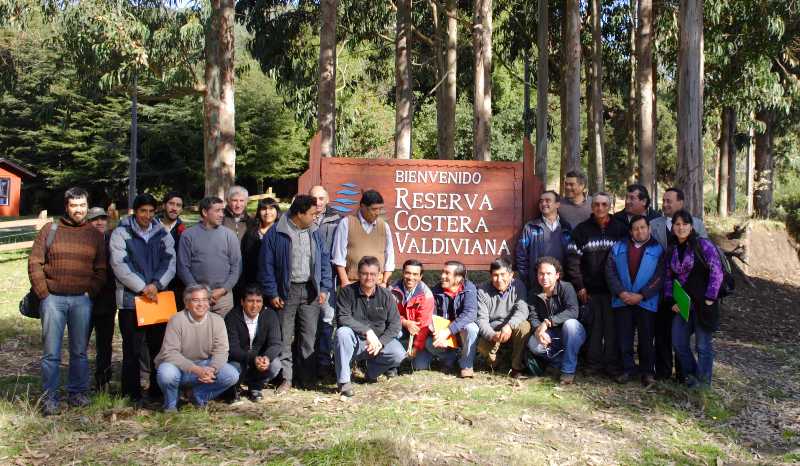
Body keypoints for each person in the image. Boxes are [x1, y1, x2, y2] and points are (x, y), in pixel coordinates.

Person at [28, 187, 107, 415]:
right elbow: (35, 263)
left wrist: (89, 292)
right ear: (66, 207)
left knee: (79, 351)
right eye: (74, 206)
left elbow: (101, 269)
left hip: (81, 301)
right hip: (53, 300)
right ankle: (50, 398)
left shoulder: (94, 234)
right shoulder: (49, 230)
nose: (79, 210)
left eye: (82, 205)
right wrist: (44, 292)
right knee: (51, 352)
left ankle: (77, 393)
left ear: (87, 207)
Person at [259, 195, 332, 393]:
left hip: (310, 291)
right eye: (312, 214)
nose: (315, 217)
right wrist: (272, 292)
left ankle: (306, 378)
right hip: (286, 292)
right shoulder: (276, 233)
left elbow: (324, 260)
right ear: (299, 214)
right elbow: (266, 266)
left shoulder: (315, 232)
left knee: (309, 336)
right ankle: (286, 379)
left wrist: (324, 287)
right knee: (284, 336)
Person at [109, 193, 176, 405]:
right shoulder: (121, 233)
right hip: (131, 301)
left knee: (158, 348)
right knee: (132, 350)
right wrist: (142, 287)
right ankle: (132, 393)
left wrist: (157, 284)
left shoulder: (162, 232)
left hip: (157, 299)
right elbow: (120, 265)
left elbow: (170, 261)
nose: (147, 215)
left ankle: (157, 390)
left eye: (150, 211)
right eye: (142, 211)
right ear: (134, 212)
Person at [566, 192, 627, 377]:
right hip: (590, 290)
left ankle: (612, 366)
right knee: (594, 328)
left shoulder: (620, 229)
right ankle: (593, 364)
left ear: (610, 207)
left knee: (612, 329)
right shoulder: (581, 230)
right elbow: (572, 261)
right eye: (596, 205)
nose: (600, 208)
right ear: (591, 207)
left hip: (614, 290)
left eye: (603, 204)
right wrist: (580, 286)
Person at [650, 187, 707, 381]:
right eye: (664, 201)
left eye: (669, 201)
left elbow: (707, 261)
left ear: (681, 203)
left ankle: (685, 375)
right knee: (663, 332)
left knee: (686, 338)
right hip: (662, 289)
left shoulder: (697, 224)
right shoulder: (653, 224)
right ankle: (664, 371)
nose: (665, 204)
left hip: (690, 292)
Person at [155, 284, 239, 412]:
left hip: (205, 365)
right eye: (196, 300)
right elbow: (170, 353)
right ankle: (171, 404)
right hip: (179, 367)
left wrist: (212, 368)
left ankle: (197, 395)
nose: (201, 304)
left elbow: (221, 350)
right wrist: (196, 370)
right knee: (166, 373)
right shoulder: (176, 320)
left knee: (231, 375)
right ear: (187, 303)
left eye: (205, 300)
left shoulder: (217, 321)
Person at [664, 210, 723, 388]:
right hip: (683, 304)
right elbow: (668, 277)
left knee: (703, 346)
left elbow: (716, 270)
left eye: (685, 224)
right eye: (677, 224)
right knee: (678, 342)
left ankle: (703, 384)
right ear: (672, 227)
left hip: (704, 304)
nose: (681, 228)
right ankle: (692, 376)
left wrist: (710, 298)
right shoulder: (672, 249)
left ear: (691, 226)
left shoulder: (702, 245)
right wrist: (671, 300)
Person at [605, 215, 664, 388]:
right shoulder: (619, 246)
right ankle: (628, 369)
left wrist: (642, 295)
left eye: (643, 228)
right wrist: (621, 292)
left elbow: (660, 276)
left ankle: (647, 372)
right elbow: (610, 271)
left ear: (649, 229)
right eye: (636, 228)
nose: (640, 231)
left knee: (646, 339)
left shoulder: (658, 249)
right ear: (630, 231)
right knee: (624, 337)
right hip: (622, 300)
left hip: (646, 301)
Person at [333, 256, 405, 397]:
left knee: (399, 353)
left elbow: (395, 324)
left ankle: (370, 371)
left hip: (377, 343)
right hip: (355, 341)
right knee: (342, 333)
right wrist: (367, 331)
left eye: (373, 274)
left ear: (379, 276)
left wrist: (381, 342)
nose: (368, 277)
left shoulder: (386, 295)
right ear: (359, 274)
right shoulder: (347, 292)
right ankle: (344, 381)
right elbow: (343, 317)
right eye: (365, 273)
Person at [177, 196, 241, 318]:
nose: (222, 214)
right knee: (196, 334)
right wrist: (200, 293)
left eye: (222, 210)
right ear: (205, 212)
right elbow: (183, 267)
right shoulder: (188, 235)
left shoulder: (230, 235)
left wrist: (223, 290)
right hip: (195, 296)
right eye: (217, 211)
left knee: (222, 334)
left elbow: (236, 267)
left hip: (223, 297)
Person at [527, 257, 586, 385]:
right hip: (550, 336)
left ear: (557, 275)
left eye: (549, 273)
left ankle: (567, 371)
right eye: (541, 273)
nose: (544, 277)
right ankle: (558, 362)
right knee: (533, 344)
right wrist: (539, 331)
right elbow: (533, 316)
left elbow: (573, 311)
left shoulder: (566, 288)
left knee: (570, 325)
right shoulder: (534, 293)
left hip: (572, 333)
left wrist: (548, 322)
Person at [420, 261, 480, 378]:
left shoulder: (469, 288)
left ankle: (466, 365)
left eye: (447, 273)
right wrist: (435, 332)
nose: (442, 276)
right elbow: (431, 316)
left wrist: (447, 331)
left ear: (458, 278)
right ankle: (449, 358)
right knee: (428, 344)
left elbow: (470, 313)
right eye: (443, 272)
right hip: (444, 335)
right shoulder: (436, 291)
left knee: (472, 328)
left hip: (460, 333)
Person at [224, 284, 282, 402]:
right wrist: (252, 358)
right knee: (233, 367)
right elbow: (232, 348)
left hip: (260, 361)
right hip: (240, 359)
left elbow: (275, 343)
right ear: (242, 302)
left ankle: (255, 387)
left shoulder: (270, 315)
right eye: (250, 301)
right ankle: (234, 387)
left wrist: (266, 357)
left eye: (258, 301)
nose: (255, 305)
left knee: (275, 365)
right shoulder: (232, 317)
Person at [475, 258, 530, 378]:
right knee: (481, 346)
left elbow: (522, 310)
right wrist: (492, 335)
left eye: (503, 275)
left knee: (525, 326)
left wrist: (509, 325)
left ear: (511, 275)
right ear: (490, 276)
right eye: (495, 275)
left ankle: (516, 368)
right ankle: (495, 363)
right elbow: (481, 319)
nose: (499, 279)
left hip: (511, 327)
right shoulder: (482, 290)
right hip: (493, 329)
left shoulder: (518, 286)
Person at [331, 189, 395, 288]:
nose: (377, 212)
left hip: (378, 285)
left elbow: (389, 256)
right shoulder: (347, 223)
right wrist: (345, 282)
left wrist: (384, 282)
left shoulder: (384, 226)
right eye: (374, 209)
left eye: (380, 209)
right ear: (363, 207)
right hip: (353, 284)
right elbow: (338, 256)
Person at [309, 185, 342, 374]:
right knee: (307, 320)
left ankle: (323, 361)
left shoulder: (337, 220)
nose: (318, 202)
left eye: (321, 198)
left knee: (327, 320)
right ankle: (307, 360)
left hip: (328, 278)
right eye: (314, 198)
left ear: (328, 199)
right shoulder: (302, 217)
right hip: (306, 278)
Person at [515, 190, 573, 288]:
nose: (543, 203)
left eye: (548, 200)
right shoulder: (531, 227)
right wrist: (527, 279)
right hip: (536, 284)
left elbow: (571, 256)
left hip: (561, 284)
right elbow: (521, 255)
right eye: (541, 201)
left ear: (557, 204)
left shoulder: (566, 228)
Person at [86, 207, 116, 391]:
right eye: (95, 219)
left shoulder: (113, 241)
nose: (99, 222)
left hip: (107, 299)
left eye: (103, 219)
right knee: (80, 343)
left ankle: (103, 380)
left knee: (105, 343)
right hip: (84, 299)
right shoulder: (82, 242)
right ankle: (79, 382)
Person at [389, 259, 434, 366]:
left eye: (415, 274)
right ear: (403, 273)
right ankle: (392, 363)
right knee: (395, 332)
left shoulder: (427, 295)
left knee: (419, 366)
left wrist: (416, 347)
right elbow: (389, 315)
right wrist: (405, 322)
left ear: (420, 276)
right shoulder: (392, 290)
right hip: (400, 327)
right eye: (408, 273)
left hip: (419, 332)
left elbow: (423, 325)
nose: (411, 277)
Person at [240, 198, 280, 293]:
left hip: (276, 282)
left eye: (271, 208)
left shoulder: (282, 231)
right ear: (259, 212)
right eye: (264, 209)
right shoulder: (251, 232)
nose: (267, 212)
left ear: (277, 211)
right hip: (253, 281)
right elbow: (245, 258)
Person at [157, 191, 186, 307]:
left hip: (177, 286)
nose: (174, 208)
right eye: (171, 204)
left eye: (178, 205)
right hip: (154, 283)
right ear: (163, 205)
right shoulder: (151, 227)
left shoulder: (184, 232)